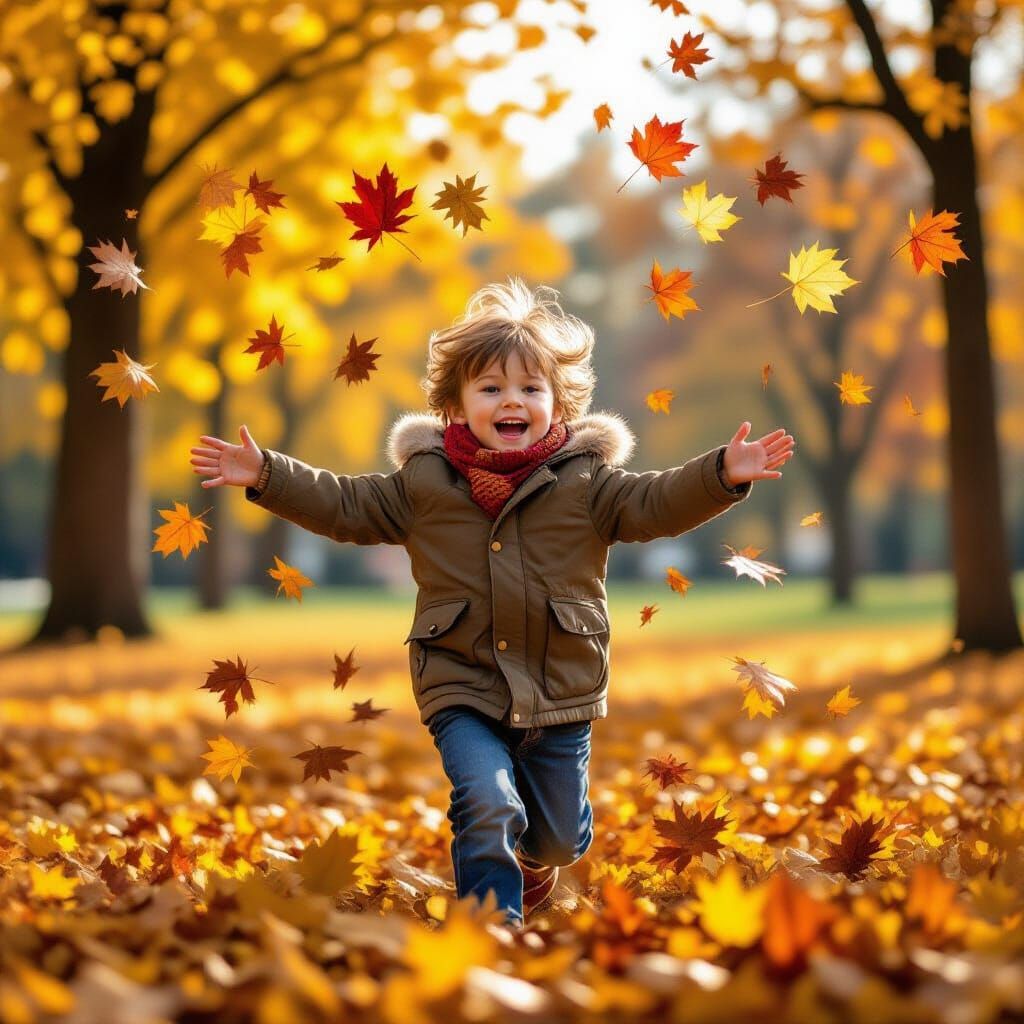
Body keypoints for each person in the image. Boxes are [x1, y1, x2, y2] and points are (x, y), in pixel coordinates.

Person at [188, 277, 795, 930]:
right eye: (492, 388)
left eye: (531, 389)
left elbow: (655, 503)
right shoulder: (424, 483)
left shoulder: (588, 482)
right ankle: (489, 926)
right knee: (486, 800)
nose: (514, 401)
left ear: (558, 403)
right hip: (462, 680)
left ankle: (537, 865)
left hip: (562, 686)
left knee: (559, 838)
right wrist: (270, 475)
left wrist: (721, 474)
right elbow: (347, 505)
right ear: (456, 404)